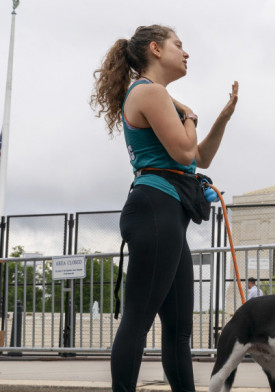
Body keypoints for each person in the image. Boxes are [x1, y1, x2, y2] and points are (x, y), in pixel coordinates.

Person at [90, 25, 238, 392]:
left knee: (178, 331)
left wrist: (220, 118)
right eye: (179, 45)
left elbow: (198, 156)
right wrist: (189, 115)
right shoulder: (150, 92)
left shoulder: (160, 97)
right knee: (137, 321)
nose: (185, 53)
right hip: (155, 210)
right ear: (156, 49)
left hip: (166, 216)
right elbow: (185, 152)